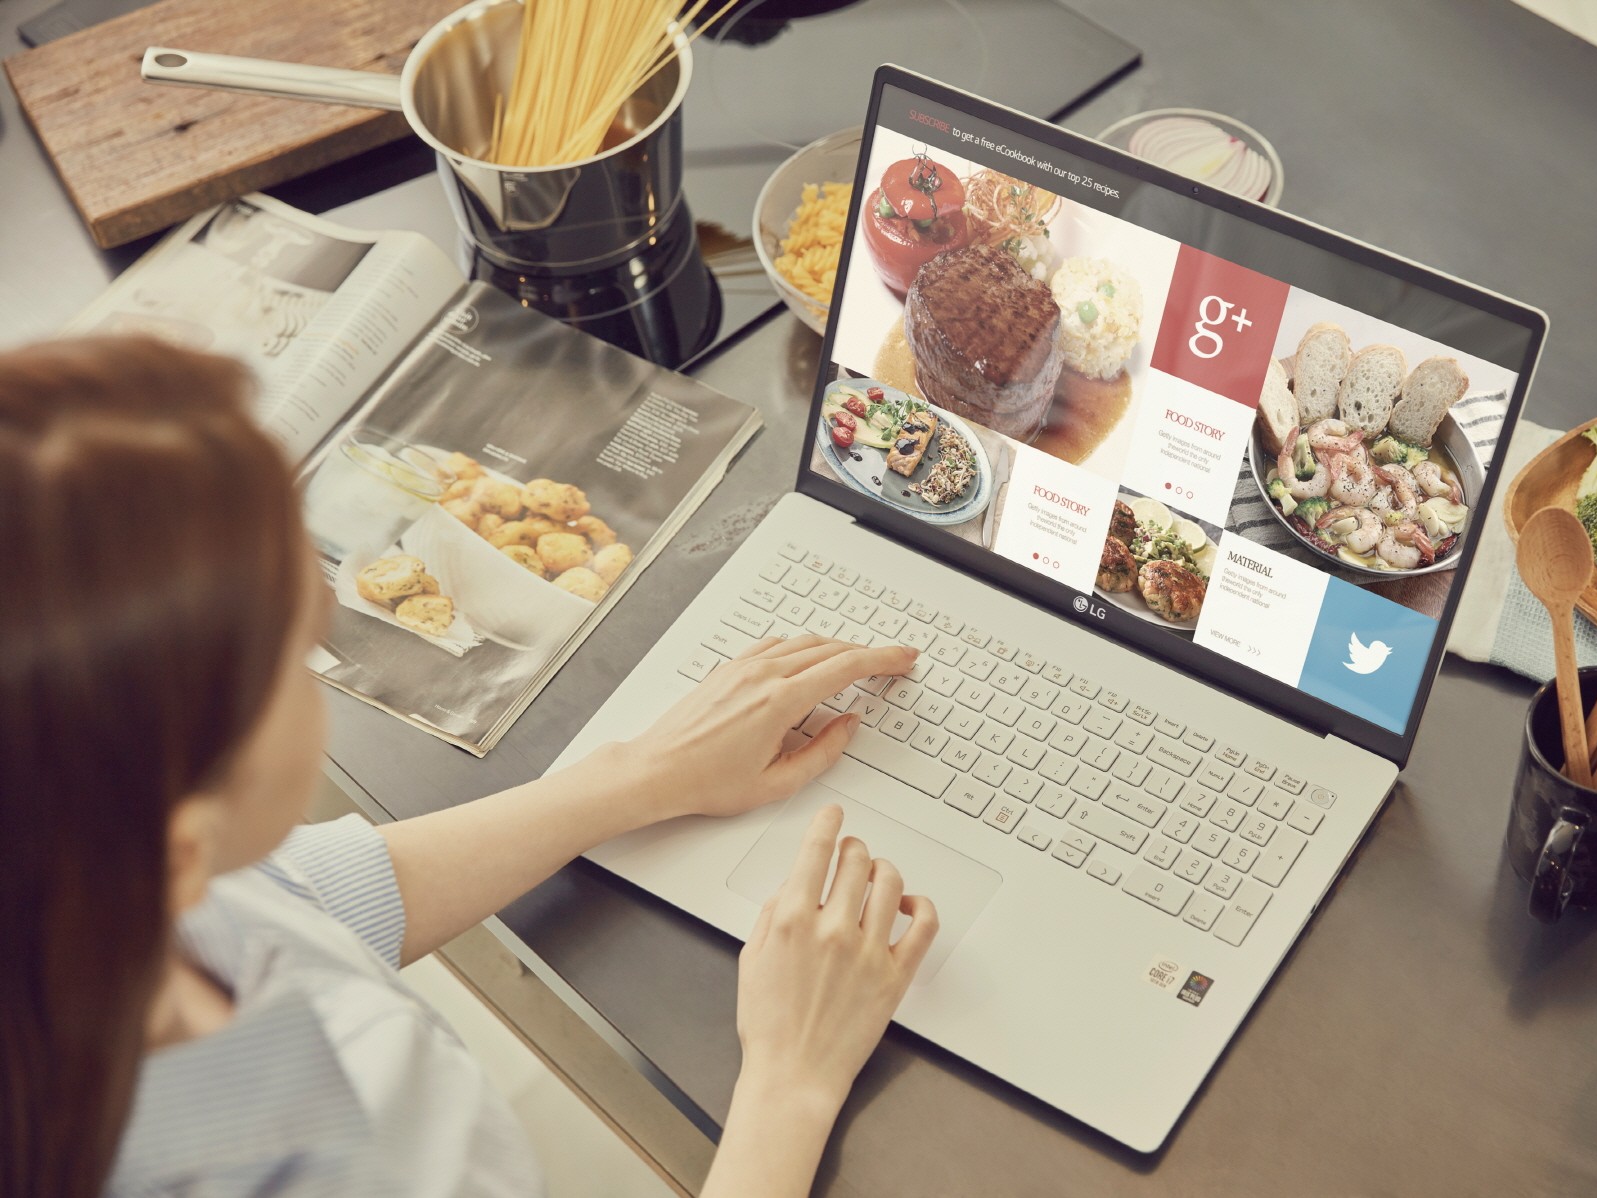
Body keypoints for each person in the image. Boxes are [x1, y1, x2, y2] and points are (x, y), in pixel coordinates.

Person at [0, 336, 938, 1198]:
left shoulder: (80, 881)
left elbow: (294, 900)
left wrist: (641, 773)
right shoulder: (363, 1146)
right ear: (181, 837)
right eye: (303, 647)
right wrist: (791, 1078)